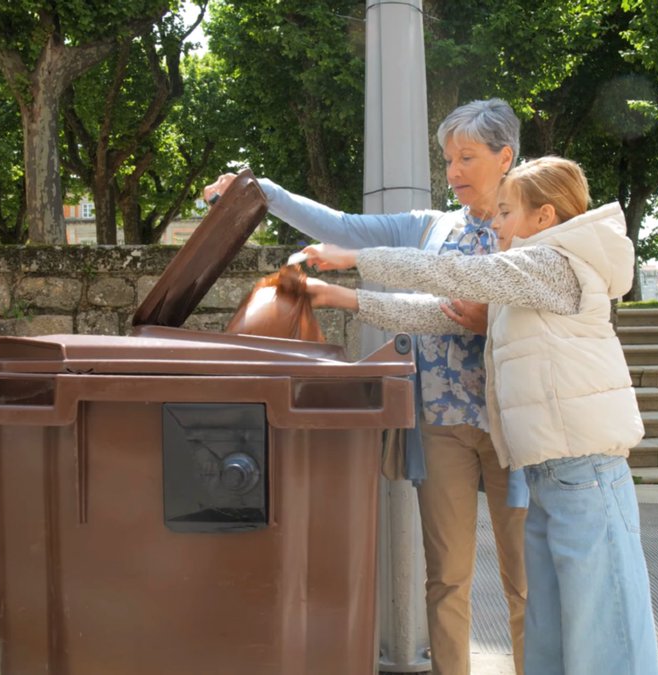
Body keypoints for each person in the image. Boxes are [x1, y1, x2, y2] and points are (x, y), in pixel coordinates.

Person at [301, 156, 658, 675]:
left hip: (583, 473)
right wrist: (342, 297)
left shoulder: (550, 265)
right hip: (553, 473)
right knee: (556, 630)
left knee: (604, 633)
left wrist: (357, 256)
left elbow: (454, 272)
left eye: (507, 211)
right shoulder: (527, 279)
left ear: (544, 216)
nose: (493, 222)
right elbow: (438, 312)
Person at [203, 99, 527, 675]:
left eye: (467, 158)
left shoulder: (533, 227)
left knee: (525, 577)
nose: (453, 172)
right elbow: (344, 230)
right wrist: (262, 191)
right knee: (447, 576)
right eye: (448, 158)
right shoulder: (431, 226)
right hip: (443, 422)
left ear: (506, 157)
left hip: (517, 424)